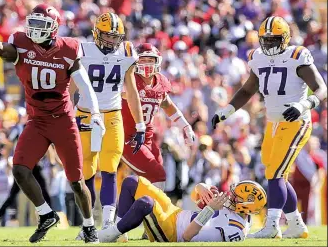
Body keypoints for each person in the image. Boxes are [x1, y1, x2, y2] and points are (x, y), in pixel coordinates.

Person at [0, 4, 104, 243]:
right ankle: (45, 214)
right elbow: (2, 51)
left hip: (63, 120)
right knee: (20, 169)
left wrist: (95, 113)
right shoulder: (22, 43)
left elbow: (84, 84)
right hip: (37, 121)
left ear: (53, 28)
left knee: (76, 181)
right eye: (33, 22)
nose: (34, 29)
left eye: (41, 24)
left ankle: (89, 225)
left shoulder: (68, 48)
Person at [211, 16, 327, 239]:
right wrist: (225, 111)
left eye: (274, 40)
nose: (270, 44)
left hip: (296, 122)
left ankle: (272, 226)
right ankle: (295, 224)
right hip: (273, 124)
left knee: (275, 173)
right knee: (275, 174)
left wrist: (303, 104)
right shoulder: (257, 58)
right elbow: (247, 90)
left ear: (285, 39)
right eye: (266, 40)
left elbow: (321, 88)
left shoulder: (297, 55)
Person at [75, 12, 145, 230]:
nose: (112, 41)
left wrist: (140, 124)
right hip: (85, 113)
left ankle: (107, 223)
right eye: (108, 36)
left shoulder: (126, 51)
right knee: (86, 168)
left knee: (110, 166)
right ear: (96, 32)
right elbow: (69, 90)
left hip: (112, 113)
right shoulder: (83, 50)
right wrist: (68, 118)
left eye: (116, 37)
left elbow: (131, 91)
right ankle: (87, 224)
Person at [96, 175, 267, 243]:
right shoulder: (238, 209)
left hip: (172, 232)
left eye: (235, 197)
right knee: (132, 182)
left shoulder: (235, 230)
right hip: (175, 213)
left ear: (245, 207)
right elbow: (196, 200)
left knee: (145, 203)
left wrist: (209, 209)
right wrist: (201, 187)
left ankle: (109, 234)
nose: (230, 196)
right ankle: (119, 235)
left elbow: (187, 236)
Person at [121, 43, 195, 190]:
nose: (147, 64)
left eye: (150, 60)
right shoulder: (128, 80)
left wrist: (185, 126)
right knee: (158, 175)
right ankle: (151, 212)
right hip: (127, 138)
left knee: (154, 179)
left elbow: (167, 105)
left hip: (147, 139)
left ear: (157, 61)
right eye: (143, 60)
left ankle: (139, 211)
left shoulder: (160, 81)